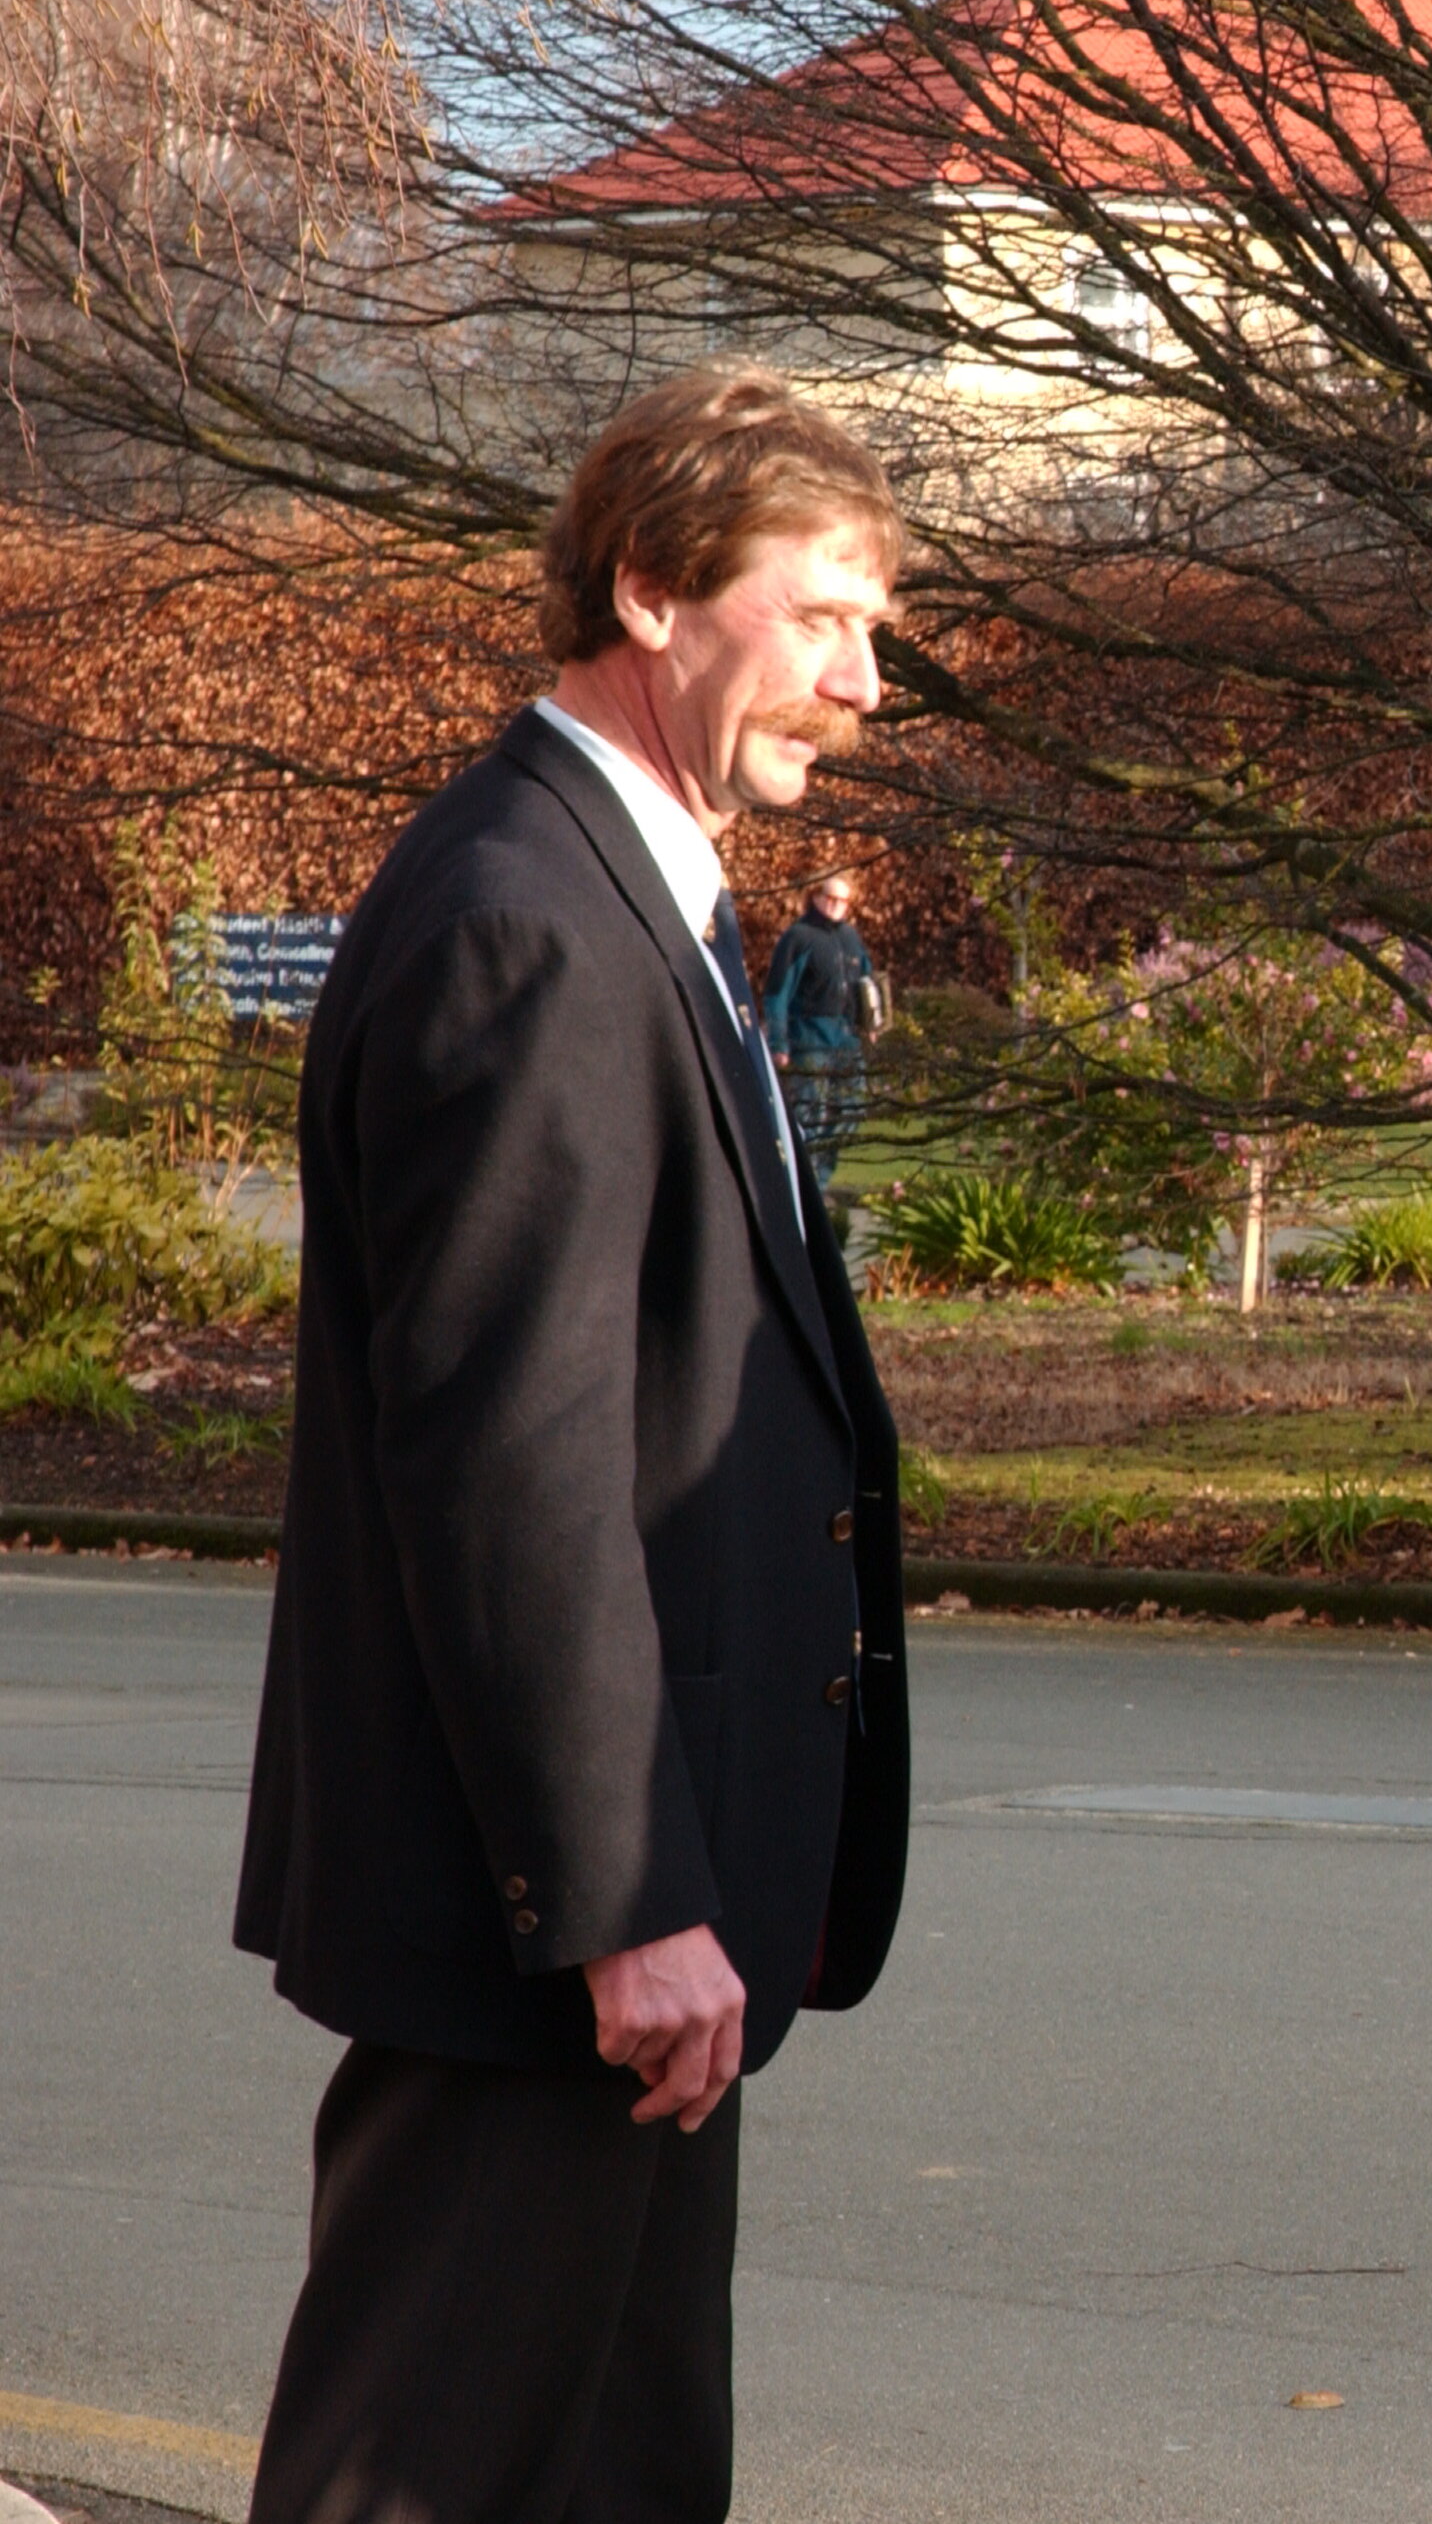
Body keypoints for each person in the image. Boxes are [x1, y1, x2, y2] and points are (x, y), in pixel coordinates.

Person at [235, 361, 915, 2524]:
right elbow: (508, 1466)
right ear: (649, 589)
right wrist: (623, 1903)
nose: (863, 684)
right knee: (422, 2476)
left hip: (634, 1934)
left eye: (873, 629)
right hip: (555, 1940)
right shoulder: (526, 919)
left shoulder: (637, 898)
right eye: (821, 617)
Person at [762, 869, 879, 1159]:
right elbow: (777, 993)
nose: (836, 905)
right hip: (809, 1040)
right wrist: (779, 1043)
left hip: (848, 1040)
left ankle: (821, 1177)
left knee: (852, 1109)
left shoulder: (851, 937)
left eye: (843, 900)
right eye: (830, 898)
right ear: (815, 896)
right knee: (809, 1117)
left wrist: (872, 1024)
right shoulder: (798, 937)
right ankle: (805, 1176)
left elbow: (867, 984)